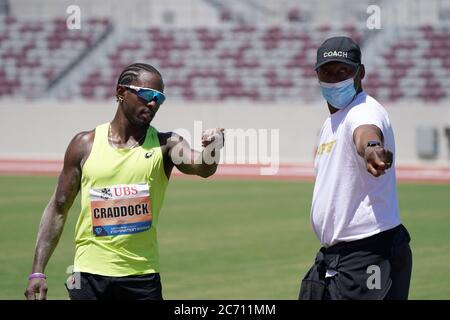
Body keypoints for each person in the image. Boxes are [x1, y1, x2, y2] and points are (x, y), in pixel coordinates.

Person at [24, 63, 224, 300]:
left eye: (160, 99)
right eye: (147, 95)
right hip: (87, 275)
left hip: (142, 276)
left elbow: (202, 167)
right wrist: (37, 272)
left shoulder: (167, 144)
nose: (153, 104)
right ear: (120, 92)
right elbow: (58, 208)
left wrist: (214, 145)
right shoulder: (84, 145)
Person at [299, 37, 412, 300]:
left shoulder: (363, 111)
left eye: (343, 71)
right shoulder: (332, 123)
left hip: (369, 254)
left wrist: (372, 148)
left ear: (360, 72)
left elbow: (366, 133)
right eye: (327, 72)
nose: (335, 79)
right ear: (317, 76)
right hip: (336, 257)